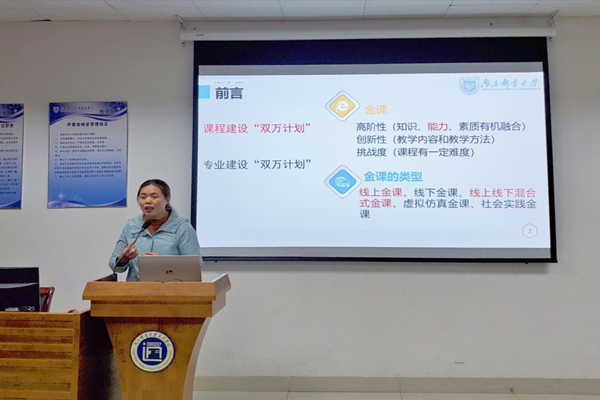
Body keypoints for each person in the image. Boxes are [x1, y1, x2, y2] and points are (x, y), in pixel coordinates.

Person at [109, 179, 201, 281]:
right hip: (136, 289)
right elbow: (113, 264)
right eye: (143, 197)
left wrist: (163, 263)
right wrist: (123, 259)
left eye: (154, 197)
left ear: (167, 199)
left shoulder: (182, 227)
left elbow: (195, 267)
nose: (148, 201)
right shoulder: (132, 226)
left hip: (170, 289)